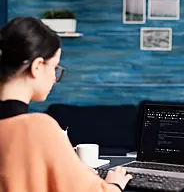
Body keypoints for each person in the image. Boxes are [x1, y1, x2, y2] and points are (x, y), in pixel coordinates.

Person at [0, 17, 132, 192]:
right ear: (38, 66)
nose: (55, 78)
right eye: (54, 67)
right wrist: (114, 184)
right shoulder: (37, 127)